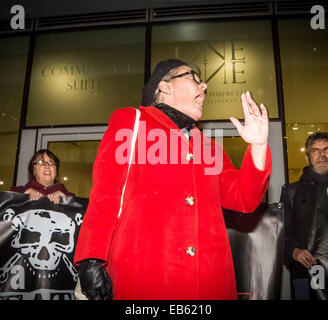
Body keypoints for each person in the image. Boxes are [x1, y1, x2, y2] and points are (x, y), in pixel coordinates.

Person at [74, 59, 272, 300]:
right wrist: (91, 258)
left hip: (209, 282)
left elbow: (244, 199)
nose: (205, 85)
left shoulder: (208, 147)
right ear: (165, 87)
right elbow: (106, 195)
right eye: (194, 77)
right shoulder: (132, 122)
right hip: (146, 278)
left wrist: (258, 146)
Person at [281, 132, 328, 300]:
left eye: (327, 150)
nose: (322, 155)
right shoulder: (291, 192)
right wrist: (294, 251)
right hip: (304, 272)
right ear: (307, 157)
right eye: (315, 150)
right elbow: (283, 229)